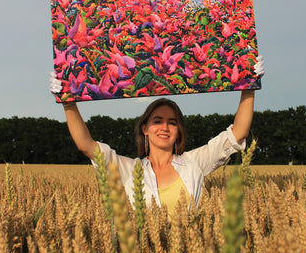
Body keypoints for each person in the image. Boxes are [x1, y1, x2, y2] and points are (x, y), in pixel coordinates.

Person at [50, 56, 264, 217]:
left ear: (179, 130)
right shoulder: (129, 170)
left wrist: (249, 87)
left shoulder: (194, 163)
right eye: (157, 121)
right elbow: (86, 145)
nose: (165, 128)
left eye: (172, 123)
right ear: (145, 128)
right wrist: (68, 101)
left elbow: (237, 134)